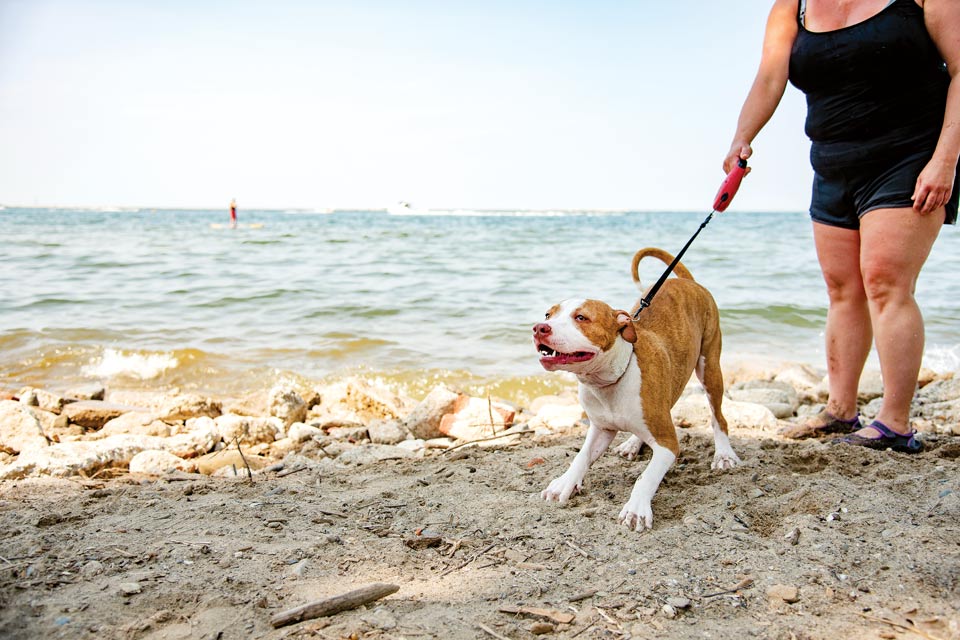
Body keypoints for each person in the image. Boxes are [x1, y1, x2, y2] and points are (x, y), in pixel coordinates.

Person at [725, 0, 960, 453]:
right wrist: (743, 136)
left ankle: (894, 423)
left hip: (912, 156)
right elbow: (771, 76)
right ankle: (840, 411)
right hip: (833, 163)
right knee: (842, 287)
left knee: (885, 281)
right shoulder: (793, 6)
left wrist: (946, 160)